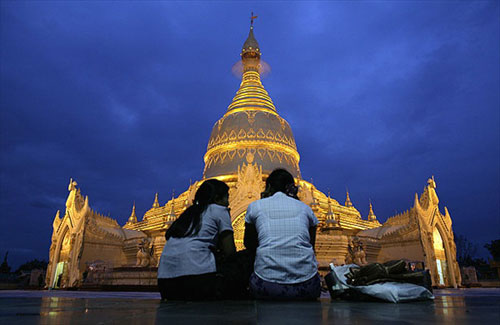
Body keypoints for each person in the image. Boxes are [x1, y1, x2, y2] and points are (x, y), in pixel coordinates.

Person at [244, 168, 321, 300]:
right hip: (307, 287)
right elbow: (311, 246)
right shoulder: (306, 209)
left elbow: (249, 244)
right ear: (292, 188)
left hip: (266, 287)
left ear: (268, 187)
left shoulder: (255, 206)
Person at [158, 179, 236, 300]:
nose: (228, 203)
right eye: (226, 198)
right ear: (217, 199)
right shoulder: (219, 210)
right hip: (196, 283)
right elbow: (230, 251)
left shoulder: (188, 214)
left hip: (166, 285)